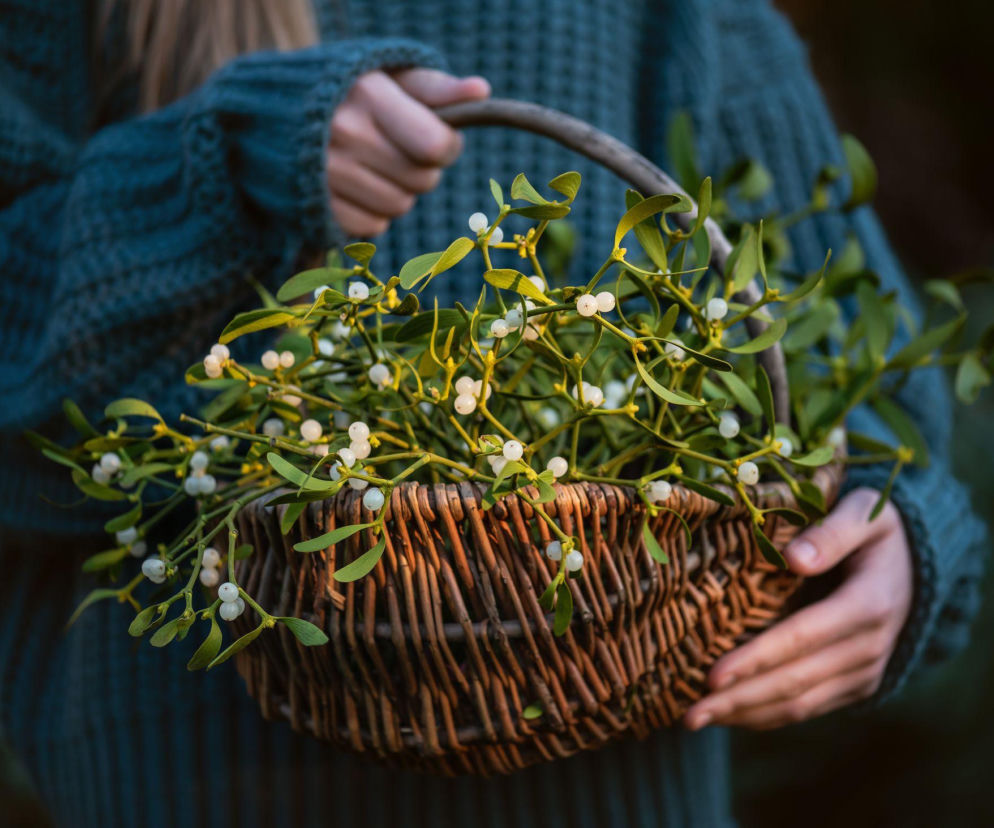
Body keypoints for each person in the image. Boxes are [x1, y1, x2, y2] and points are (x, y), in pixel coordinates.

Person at [0, 0, 985, 825]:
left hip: (608, 790)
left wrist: (890, 536)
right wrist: (213, 173)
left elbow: (861, 397)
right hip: (189, 786)